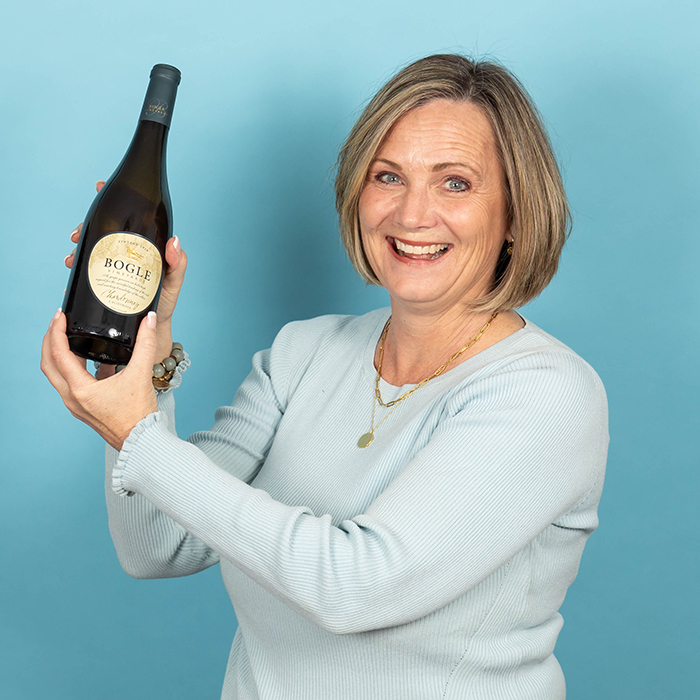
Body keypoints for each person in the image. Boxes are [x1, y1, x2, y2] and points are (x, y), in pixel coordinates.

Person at [42, 54, 608, 700]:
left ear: (514, 212)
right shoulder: (303, 353)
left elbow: (356, 586)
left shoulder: (545, 394)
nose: (412, 214)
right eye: (388, 176)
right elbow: (157, 545)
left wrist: (137, 439)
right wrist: (134, 363)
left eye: (455, 183)